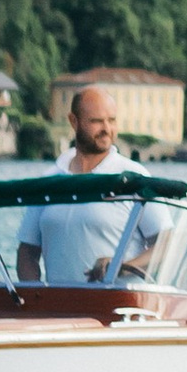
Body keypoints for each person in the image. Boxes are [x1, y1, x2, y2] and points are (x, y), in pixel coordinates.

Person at [16, 81, 139, 284]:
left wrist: (120, 266)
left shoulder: (134, 177)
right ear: (74, 121)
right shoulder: (48, 182)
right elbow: (27, 253)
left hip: (120, 301)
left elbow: (164, 244)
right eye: (97, 121)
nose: (107, 129)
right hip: (61, 303)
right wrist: (36, 297)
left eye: (112, 120)